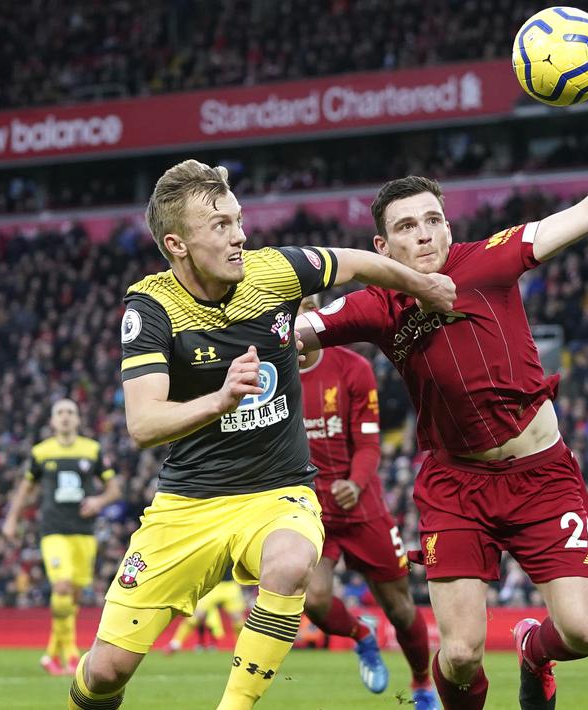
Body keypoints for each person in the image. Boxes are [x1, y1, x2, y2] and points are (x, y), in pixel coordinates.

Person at [299, 101, 588, 708]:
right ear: (382, 245)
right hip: (456, 485)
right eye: (406, 226)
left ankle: (535, 653)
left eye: (433, 220)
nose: (424, 233)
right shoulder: (375, 304)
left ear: (449, 227)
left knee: (584, 632)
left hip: (542, 475)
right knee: (460, 656)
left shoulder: (490, 259)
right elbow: (297, 332)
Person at [67, 159, 455, 710]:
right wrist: (221, 399)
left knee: (291, 562)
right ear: (177, 244)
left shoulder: (274, 271)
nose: (240, 236)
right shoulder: (150, 307)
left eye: (238, 220)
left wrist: (423, 286)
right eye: (221, 226)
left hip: (279, 491)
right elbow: (143, 424)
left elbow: (358, 262)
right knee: (106, 672)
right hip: (188, 503)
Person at [297, 296, 436, 709]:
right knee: (314, 601)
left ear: (320, 312)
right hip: (310, 511)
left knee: (400, 607)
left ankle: (422, 683)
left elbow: (369, 443)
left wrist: (355, 484)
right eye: (292, 307)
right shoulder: (271, 375)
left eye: (309, 305)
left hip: (362, 507)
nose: (301, 314)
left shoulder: (353, 368)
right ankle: (362, 634)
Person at [2, 398, 123, 675]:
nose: (65, 417)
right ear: (52, 421)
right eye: (60, 413)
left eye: (70, 412)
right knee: (62, 586)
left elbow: (114, 489)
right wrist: (11, 518)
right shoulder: (41, 452)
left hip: (83, 532)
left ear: (78, 419)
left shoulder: (91, 449)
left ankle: (51, 653)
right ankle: (71, 655)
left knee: (73, 597)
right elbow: (25, 488)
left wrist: (99, 501)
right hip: (53, 529)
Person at [166, 574, 246, 652]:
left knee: (238, 621)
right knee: (195, 618)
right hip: (212, 586)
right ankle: (175, 644)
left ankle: (241, 649)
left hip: (230, 586)